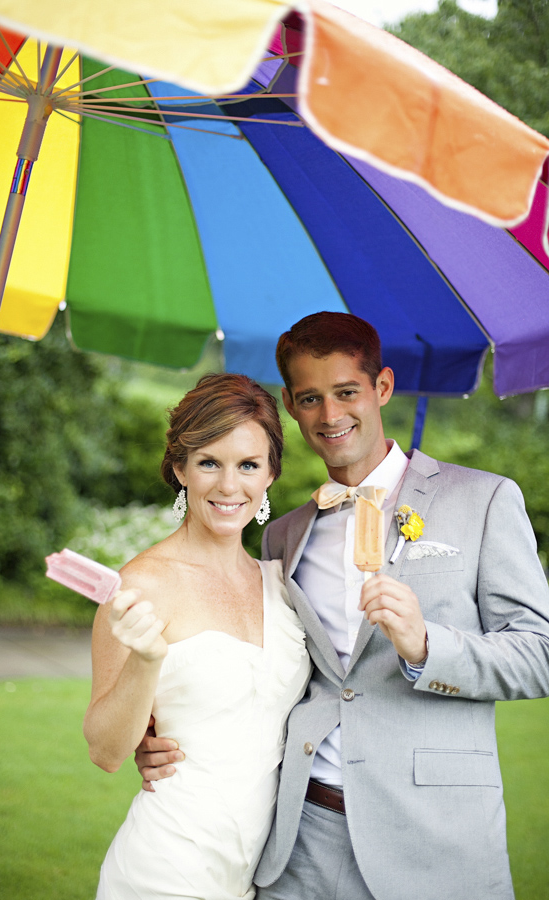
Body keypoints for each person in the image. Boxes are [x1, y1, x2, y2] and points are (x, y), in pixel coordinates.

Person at [136, 312, 549, 900]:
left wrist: (427, 646)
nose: (330, 415)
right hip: (301, 832)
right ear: (291, 404)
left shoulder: (482, 500)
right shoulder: (284, 535)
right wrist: (164, 733)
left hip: (432, 834)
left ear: (381, 388)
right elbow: (257, 664)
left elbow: (540, 653)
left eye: (347, 392)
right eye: (310, 398)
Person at [84, 373, 311, 900]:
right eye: (209, 462)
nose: (230, 487)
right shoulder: (140, 587)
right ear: (180, 468)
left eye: (248, 465)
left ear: (271, 473)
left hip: (260, 875)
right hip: (166, 868)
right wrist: (145, 662)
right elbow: (106, 750)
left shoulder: (281, 584)